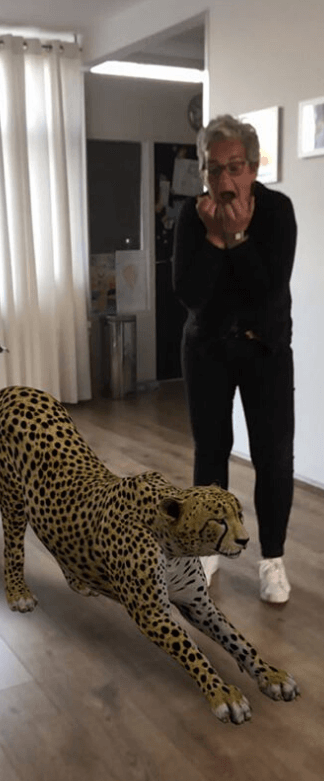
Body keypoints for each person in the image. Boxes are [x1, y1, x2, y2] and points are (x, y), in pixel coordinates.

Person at [172, 114, 297, 603]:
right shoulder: (193, 216)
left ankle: (273, 560)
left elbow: (268, 291)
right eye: (213, 168)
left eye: (235, 167)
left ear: (253, 167)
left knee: (273, 457)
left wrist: (239, 237)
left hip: (266, 350)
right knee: (210, 448)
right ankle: (207, 549)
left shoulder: (277, 211)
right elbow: (190, 294)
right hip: (207, 349)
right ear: (204, 169)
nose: (223, 180)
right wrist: (213, 237)